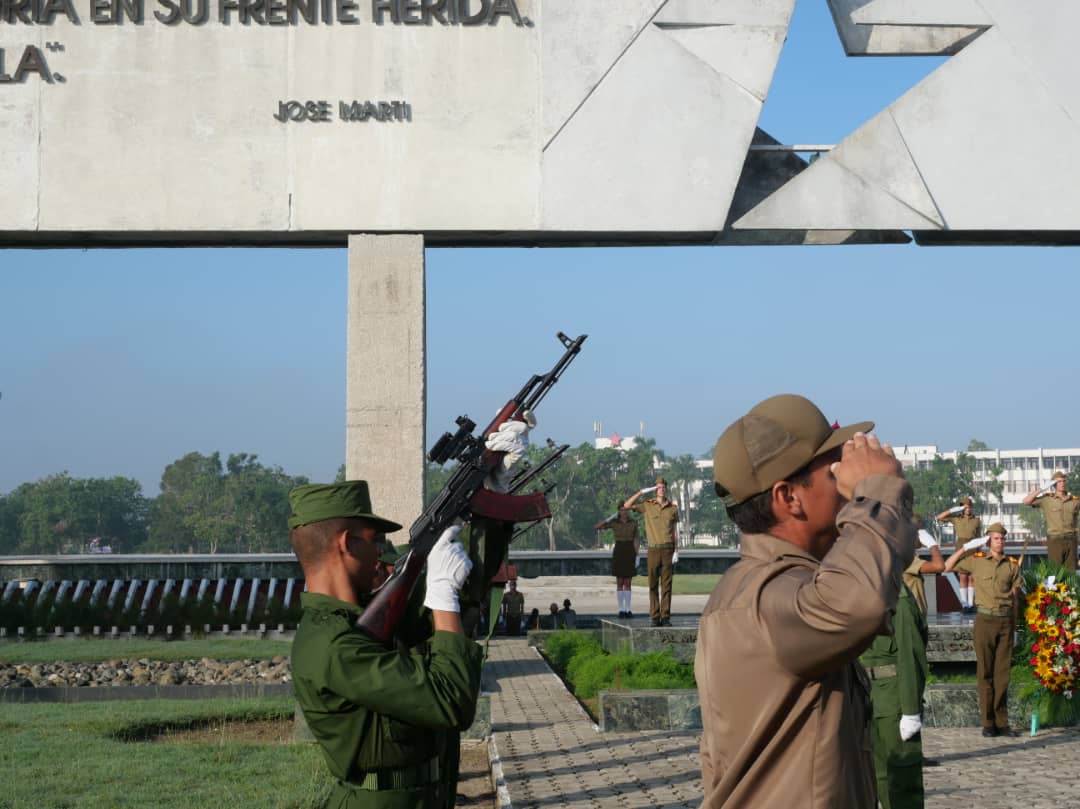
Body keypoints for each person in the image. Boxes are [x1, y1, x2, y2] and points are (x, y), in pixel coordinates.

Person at [696, 394, 915, 809]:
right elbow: (859, 602)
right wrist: (878, 493)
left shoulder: (762, 587)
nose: (847, 484)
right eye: (835, 470)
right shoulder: (768, 598)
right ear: (789, 498)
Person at [288, 479, 483, 809]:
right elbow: (451, 700)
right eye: (373, 540)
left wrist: (489, 507)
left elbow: (468, 591)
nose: (380, 551)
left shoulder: (358, 621)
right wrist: (442, 596)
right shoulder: (333, 643)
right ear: (348, 544)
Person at [944, 523, 1021, 737]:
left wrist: (1015, 628)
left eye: (1003, 538)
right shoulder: (976, 562)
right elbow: (947, 566)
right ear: (989, 541)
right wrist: (965, 547)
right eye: (996, 538)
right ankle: (988, 723)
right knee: (985, 673)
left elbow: (1015, 600)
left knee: (1002, 675)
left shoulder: (1012, 565)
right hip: (985, 620)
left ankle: (1002, 723)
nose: (1000, 542)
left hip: (1005, 622)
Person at [860, 581, 929, 809]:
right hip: (869, 696)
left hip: (895, 700)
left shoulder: (898, 599)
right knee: (879, 777)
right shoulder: (864, 591)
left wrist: (911, 711)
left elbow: (911, 656)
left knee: (902, 782)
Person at [624, 477, 679, 626]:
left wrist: (677, 550)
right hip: (653, 549)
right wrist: (641, 492)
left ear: (666, 489)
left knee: (667, 585)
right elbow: (626, 505)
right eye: (658, 487)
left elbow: (674, 531)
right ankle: (655, 616)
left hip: (668, 549)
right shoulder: (647, 505)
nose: (661, 489)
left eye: (663, 487)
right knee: (653, 585)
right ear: (655, 489)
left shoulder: (673, 508)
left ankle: (665, 617)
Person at [1023, 471, 1080, 571]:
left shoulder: (1074, 500)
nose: (1062, 483)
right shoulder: (1047, 499)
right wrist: (1041, 489)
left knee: (1070, 574)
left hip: (1071, 540)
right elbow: (1026, 501)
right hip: (1055, 540)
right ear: (1054, 484)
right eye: (1059, 481)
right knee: (1054, 572)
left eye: (1064, 481)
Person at [936, 497, 980, 611]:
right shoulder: (956, 519)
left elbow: (978, 536)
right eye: (965, 507)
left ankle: (971, 605)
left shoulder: (976, 520)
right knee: (963, 576)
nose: (967, 509)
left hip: (973, 547)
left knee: (972, 578)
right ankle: (964, 605)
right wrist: (953, 510)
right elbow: (939, 517)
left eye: (969, 506)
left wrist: (979, 552)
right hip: (961, 548)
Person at [595, 504, 639, 617]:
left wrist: (637, 555)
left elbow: (635, 539)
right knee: (620, 581)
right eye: (622, 510)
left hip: (629, 550)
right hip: (619, 549)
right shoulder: (614, 522)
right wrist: (611, 517)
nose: (624, 512)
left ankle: (628, 609)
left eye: (626, 510)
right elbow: (598, 526)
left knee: (628, 582)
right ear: (619, 511)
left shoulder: (633, 522)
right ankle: (621, 609)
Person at [906, 517, 946, 616]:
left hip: (912, 612)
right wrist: (932, 544)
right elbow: (939, 566)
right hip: (910, 613)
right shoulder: (906, 557)